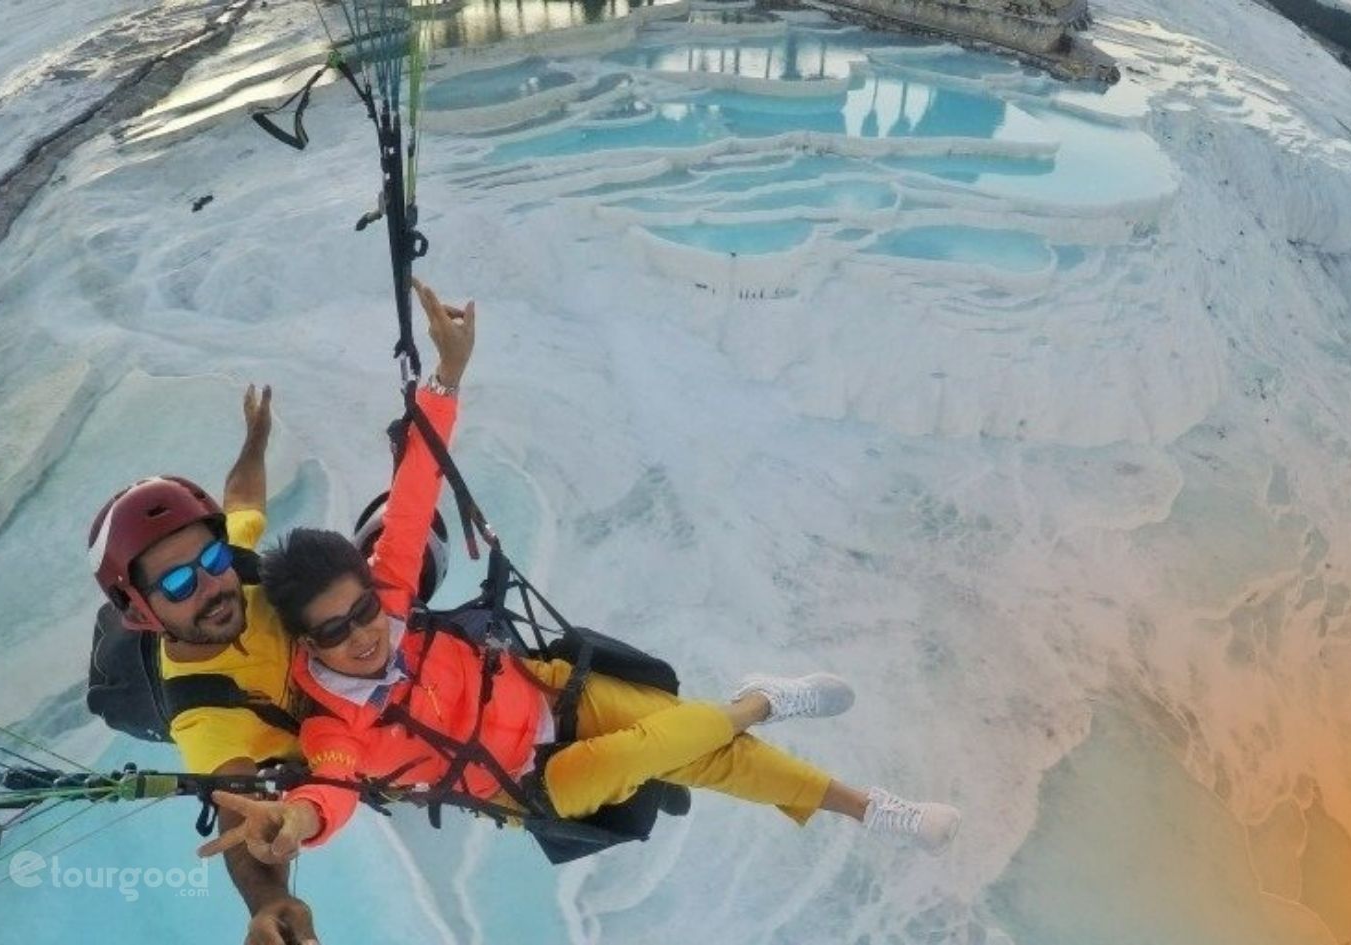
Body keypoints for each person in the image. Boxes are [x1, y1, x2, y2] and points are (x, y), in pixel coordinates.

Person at [197, 284, 962, 867]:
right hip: (531, 782)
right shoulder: (333, 725)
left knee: (708, 757)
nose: (365, 633)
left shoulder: (390, 595)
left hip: (549, 690)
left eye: (363, 609)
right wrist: (298, 820)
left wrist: (448, 374)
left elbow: (415, 488)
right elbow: (331, 787)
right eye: (337, 630)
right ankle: (760, 700)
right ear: (309, 644)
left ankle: (867, 807)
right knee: (649, 748)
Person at [86, 278, 467, 945]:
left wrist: (256, 440)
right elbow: (240, 809)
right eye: (178, 583)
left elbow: (241, 503)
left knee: (384, 563)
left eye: (209, 559)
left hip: (360, 679)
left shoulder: (234, 568)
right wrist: (268, 902)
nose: (212, 586)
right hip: (343, 742)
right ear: (141, 611)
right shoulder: (204, 711)